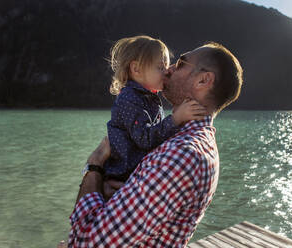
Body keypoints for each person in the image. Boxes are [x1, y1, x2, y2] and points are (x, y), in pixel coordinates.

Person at [65, 41, 243, 247]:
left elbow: (88, 242)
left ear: (203, 80)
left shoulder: (182, 156)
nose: (169, 69)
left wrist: (94, 168)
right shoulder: (186, 141)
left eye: (181, 63)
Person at [102, 35, 208, 182]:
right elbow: (144, 139)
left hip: (134, 173)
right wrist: (176, 119)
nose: (166, 72)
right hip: (123, 175)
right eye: (160, 67)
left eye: (165, 66)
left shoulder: (146, 97)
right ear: (136, 69)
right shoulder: (129, 99)